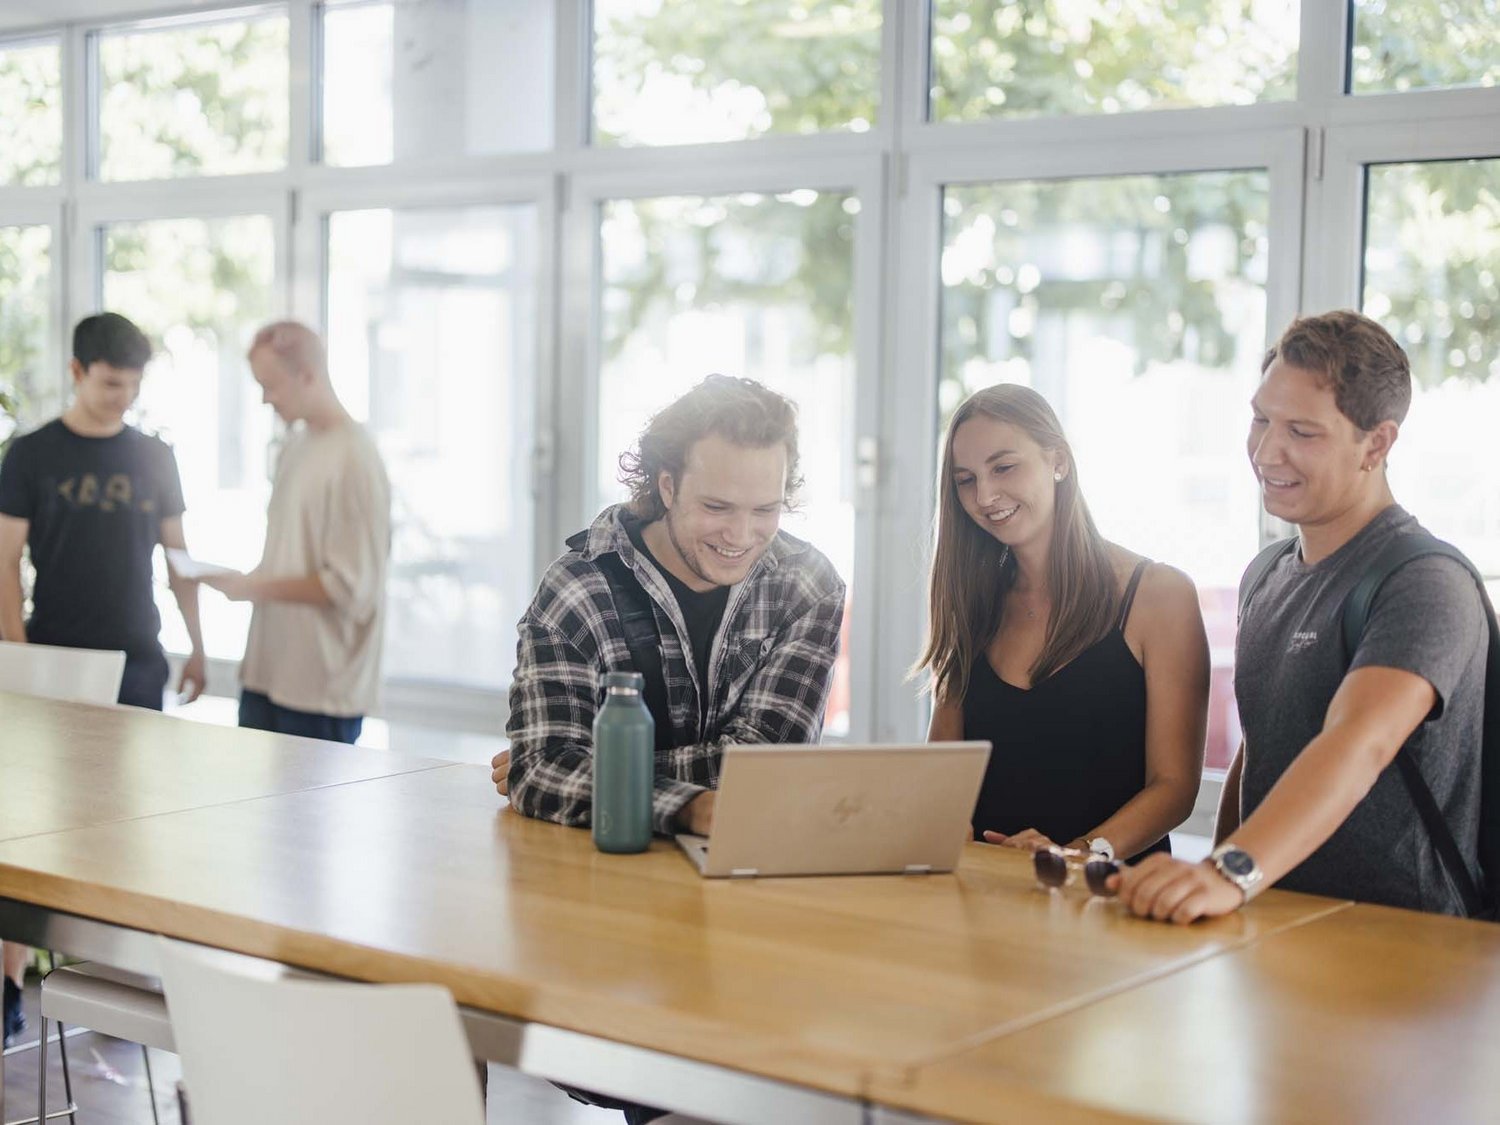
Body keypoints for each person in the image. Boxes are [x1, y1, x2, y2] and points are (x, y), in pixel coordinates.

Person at [1116, 310, 1488, 923]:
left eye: (1302, 432)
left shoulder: (1424, 582)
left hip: (1407, 952)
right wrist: (1219, 880)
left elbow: (1358, 742)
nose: (1266, 450)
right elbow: (1259, 749)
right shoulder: (1267, 573)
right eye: (1261, 418)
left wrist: (1229, 873)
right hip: (1276, 930)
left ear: (1377, 443)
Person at [494, 374, 846, 841]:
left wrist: (595, 767)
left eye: (765, 510)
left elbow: (767, 769)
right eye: (718, 507)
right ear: (667, 486)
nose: (741, 536)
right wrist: (690, 807)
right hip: (598, 878)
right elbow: (543, 769)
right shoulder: (577, 589)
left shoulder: (808, 586)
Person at [0, 311, 207, 1043]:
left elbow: (178, 559)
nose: (122, 396)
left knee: (124, 820)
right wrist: (18, 657)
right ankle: (11, 981)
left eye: (132, 385)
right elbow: (5, 566)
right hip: (53, 659)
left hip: (136, 658)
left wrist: (199, 643)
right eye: (111, 383)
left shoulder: (155, 455)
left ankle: (115, 981)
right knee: (29, 825)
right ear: (77, 372)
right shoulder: (29, 454)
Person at [917, 384, 1209, 863]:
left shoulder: (1158, 595)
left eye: (1004, 467)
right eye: (965, 479)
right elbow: (943, 775)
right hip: (986, 894)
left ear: (1059, 461)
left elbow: (1174, 788)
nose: (985, 495)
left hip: (1109, 898)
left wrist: (1075, 856)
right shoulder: (971, 601)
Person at [199, 321, 390, 745]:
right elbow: (293, 556)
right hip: (268, 676)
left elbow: (350, 587)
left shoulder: (355, 457)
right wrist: (248, 583)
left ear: (307, 375)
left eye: (271, 385)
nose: (266, 399)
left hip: (319, 692)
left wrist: (252, 587)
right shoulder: (297, 445)